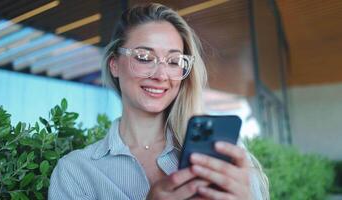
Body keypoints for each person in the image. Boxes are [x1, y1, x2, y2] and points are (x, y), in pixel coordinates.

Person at [49, 3, 269, 200]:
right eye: (144, 57)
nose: (161, 75)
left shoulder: (225, 154)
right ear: (114, 64)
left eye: (174, 61)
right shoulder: (76, 171)